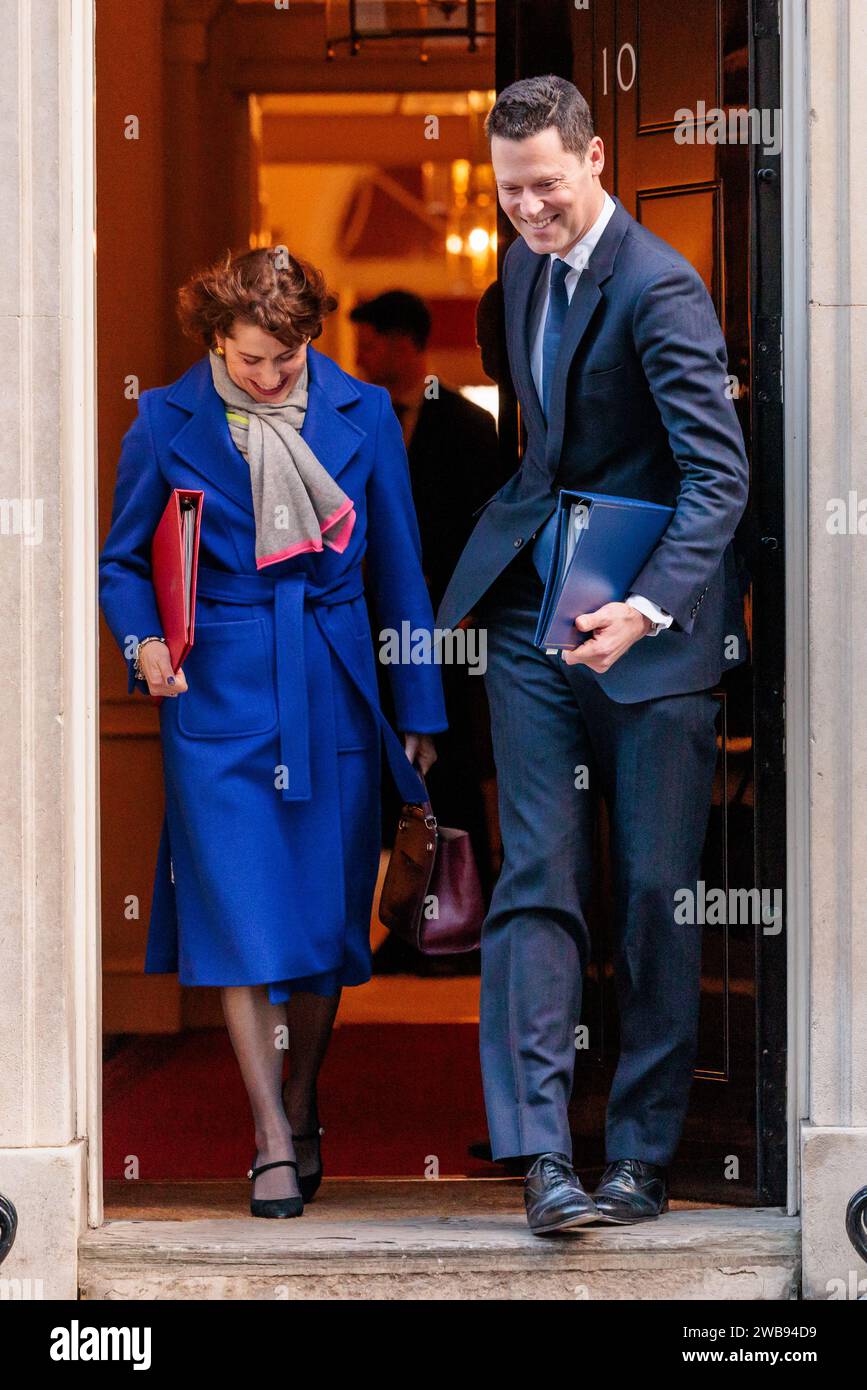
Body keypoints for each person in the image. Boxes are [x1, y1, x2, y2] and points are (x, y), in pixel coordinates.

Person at [435, 77, 750, 1235]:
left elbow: (720, 477)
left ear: (599, 158)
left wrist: (651, 608)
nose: (528, 213)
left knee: (655, 895)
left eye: (548, 189)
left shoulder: (664, 289)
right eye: (511, 192)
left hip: (651, 638)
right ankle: (541, 1158)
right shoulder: (516, 267)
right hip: (537, 620)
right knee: (537, 876)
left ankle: (641, 1157)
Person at [99, 247, 447, 1218]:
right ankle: (270, 1136)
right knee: (241, 922)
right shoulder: (164, 419)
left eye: (286, 361)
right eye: (251, 359)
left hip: (333, 684)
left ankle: (303, 1094)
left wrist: (417, 709)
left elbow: (402, 572)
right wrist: (142, 645)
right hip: (214, 699)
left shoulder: (365, 411)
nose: (268, 377)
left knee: (326, 924)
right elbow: (123, 562)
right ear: (217, 336)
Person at [350, 288, 502, 918]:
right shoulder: (352, 425)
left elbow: (490, 527)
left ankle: (462, 920)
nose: (360, 352)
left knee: (455, 774)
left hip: (454, 630)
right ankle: (403, 920)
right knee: (386, 777)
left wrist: (471, 611)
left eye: (373, 338)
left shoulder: (468, 424)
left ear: (407, 342)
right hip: (372, 629)